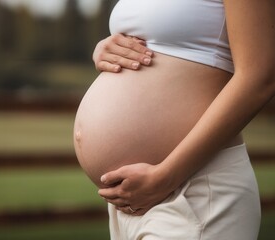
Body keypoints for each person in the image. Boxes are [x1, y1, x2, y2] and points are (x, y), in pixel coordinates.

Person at [73, 0, 275, 239]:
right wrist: (106, 48)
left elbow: (261, 75)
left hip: (194, 193)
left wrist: (165, 177)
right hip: (134, 201)